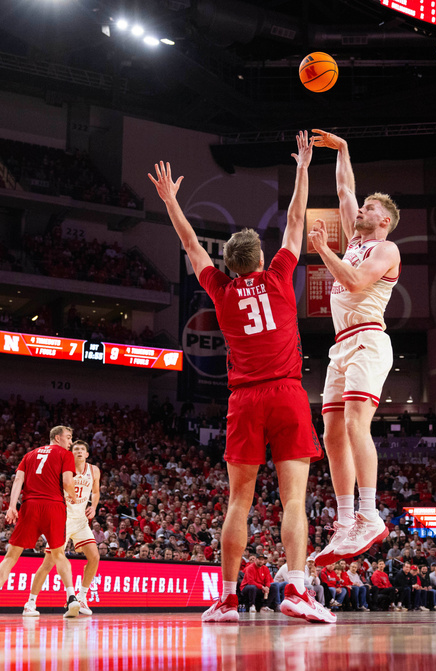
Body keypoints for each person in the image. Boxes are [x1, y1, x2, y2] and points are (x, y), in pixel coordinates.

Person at [150, 134, 332, 625]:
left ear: (230, 266)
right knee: (294, 498)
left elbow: (190, 243)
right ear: (260, 257)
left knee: (239, 500)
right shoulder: (278, 277)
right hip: (287, 392)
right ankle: (295, 590)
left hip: (245, 399)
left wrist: (170, 200)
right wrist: (302, 169)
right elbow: (296, 219)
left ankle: (227, 599)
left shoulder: (221, 291)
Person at [308, 129, 400, 567]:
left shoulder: (386, 248)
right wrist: (343, 149)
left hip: (368, 338)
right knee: (330, 432)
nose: (360, 209)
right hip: (341, 346)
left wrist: (325, 251)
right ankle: (345, 521)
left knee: (356, 426)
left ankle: (369, 514)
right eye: (362, 208)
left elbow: (353, 281)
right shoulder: (356, 241)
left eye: (369, 209)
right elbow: (345, 188)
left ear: (383, 220)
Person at [0, 426, 81, 619]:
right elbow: (67, 482)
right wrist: (74, 497)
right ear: (57, 438)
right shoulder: (65, 454)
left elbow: (17, 481)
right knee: (59, 555)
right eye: (68, 438)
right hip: (53, 506)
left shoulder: (29, 455)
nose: (70, 442)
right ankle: (72, 598)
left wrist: (11, 507)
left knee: (11, 556)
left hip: (30, 506)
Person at [25, 439, 100, 617]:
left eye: (83, 449)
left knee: (94, 556)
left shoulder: (94, 470)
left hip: (81, 520)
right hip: (62, 520)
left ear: (87, 454)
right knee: (48, 563)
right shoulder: (62, 469)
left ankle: (81, 597)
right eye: (76, 449)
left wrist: (94, 506)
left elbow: (96, 492)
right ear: (70, 453)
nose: (79, 451)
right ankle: (30, 603)